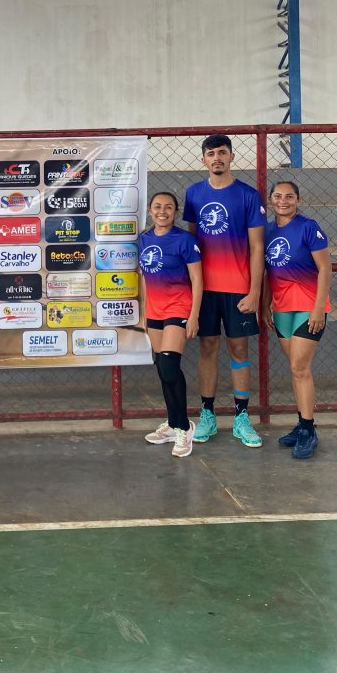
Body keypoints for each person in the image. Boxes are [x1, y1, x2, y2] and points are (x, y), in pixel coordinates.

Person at [183, 134, 266, 448]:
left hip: (238, 289)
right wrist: (192, 290)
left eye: (222, 153)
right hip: (205, 291)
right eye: (211, 153)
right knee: (206, 349)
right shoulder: (193, 194)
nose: (216, 158)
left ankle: (242, 418)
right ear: (203, 159)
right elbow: (190, 247)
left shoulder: (247, 195)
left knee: (239, 350)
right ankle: (207, 415)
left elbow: (257, 248)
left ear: (231, 157)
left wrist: (255, 291)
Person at [264, 181, 331, 459]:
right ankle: (304, 422)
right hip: (281, 307)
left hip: (308, 305)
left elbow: (325, 268)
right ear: (270, 200)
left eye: (289, 196)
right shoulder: (267, 230)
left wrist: (318, 309)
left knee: (299, 366)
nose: (283, 201)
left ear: (298, 200)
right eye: (278, 196)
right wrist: (267, 302)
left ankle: (308, 430)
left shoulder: (308, 226)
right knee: (295, 369)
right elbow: (267, 269)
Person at [139, 192, 203, 458]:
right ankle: (172, 422)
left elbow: (198, 281)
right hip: (154, 311)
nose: (162, 211)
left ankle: (183, 427)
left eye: (168, 207)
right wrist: (144, 312)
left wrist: (194, 315)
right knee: (162, 369)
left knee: (169, 364)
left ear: (175, 212)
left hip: (178, 308)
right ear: (150, 211)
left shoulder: (185, 240)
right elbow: (143, 277)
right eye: (157, 207)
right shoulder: (143, 239)